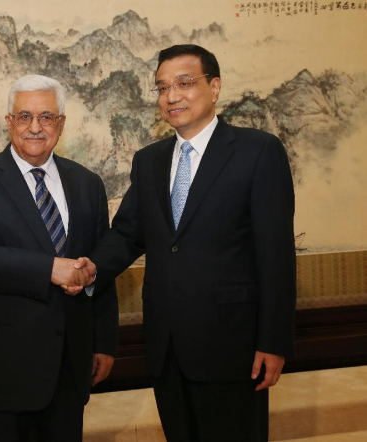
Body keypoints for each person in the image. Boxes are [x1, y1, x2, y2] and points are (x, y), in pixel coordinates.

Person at [81, 44, 297, 441]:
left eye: (184, 83)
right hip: (167, 346)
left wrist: (274, 341)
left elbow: (277, 255)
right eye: (162, 88)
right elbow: (129, 233)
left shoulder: (257, 151)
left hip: (235, 346)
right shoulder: (149, 160)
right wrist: (90, 269)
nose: (172, 96)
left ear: (214, 87)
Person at [0, 74, 118, 442]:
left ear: (61, 123)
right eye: (24, 117)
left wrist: (103, 342)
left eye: (46, 117)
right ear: (9, 122)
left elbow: (100, 265)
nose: (35, 127)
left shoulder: (88, 184)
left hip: (70, 367)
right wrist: (49, 269)